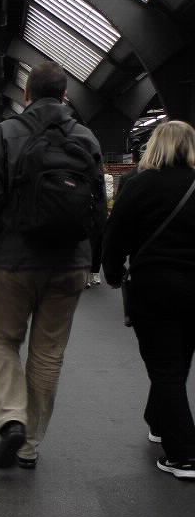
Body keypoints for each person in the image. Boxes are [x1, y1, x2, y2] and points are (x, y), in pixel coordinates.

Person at [0, 61, 105, 470]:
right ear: (65, 96)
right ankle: (30, 446)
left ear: (26, 95)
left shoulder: (7, 133)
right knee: (48, 355)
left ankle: (12, 419)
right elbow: (97, 207)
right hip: (70, 264)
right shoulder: (87, 136)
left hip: (16, 262)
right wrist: (94, 262)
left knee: (3, 340)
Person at [102, 120, 195, 479]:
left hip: (155, 288)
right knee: (178, 361)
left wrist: (111, 271)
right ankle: (159, 422)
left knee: (165, 367)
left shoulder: (139, 184)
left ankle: (184, 454)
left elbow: (116, 235)